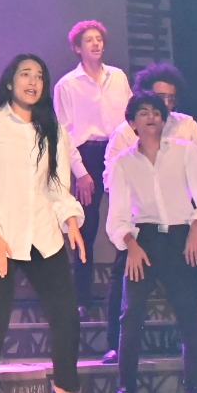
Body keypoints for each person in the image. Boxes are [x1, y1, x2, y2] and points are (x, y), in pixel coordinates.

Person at [0, 54, 92, 393]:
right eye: (25, 74)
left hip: (42, 234)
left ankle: (64, 388)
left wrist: (70, 222)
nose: (33, 82)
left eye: (39, 76)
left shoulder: (52, 130)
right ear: (9, 82)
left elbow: (57, 185)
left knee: (66, 313)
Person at [99, 61, 197, 364]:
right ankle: (115, 345)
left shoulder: (185, 125)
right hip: (141, 225)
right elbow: (111, 178)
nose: (167, 104)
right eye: (161, 97)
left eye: (172, 98)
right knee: (123, 278)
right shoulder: (124, 134)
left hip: (184, 221)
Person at [52, 20, 130, 323]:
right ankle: (81, 298)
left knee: (130, 216)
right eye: (89, 40)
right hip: (88, 154)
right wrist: (81, 172)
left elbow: (130, 119)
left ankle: (129, 291)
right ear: (77, 47)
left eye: (99, 39)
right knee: (87, 226)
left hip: (120, 151)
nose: (96, 44)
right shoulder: (67, 85)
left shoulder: (118, 77)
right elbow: (64, 134)